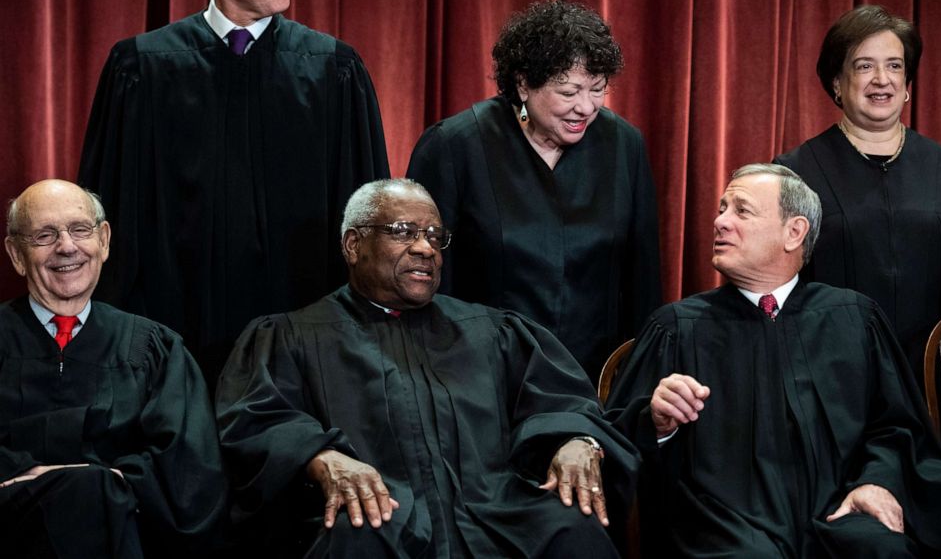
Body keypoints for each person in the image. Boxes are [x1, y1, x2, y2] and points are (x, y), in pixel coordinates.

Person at [215, 178, 638, 558]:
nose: (425, 248)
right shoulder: (294, 336)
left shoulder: (493, 331)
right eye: (403, 232)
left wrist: (577, 440)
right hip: (381, 514)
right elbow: (254, 421)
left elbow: (561, 399)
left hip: (496, 511)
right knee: (357, 535)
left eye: (435, 236)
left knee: (571, 526)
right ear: (353, 245)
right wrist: (318, 455)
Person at [78, 0, 389, 388]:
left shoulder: (333, 69)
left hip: (303, 343)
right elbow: (105, 218)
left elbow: (366, 220)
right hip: (171, 337)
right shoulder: (142, 68)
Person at [606, 163, 941, 557]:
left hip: (840, 513)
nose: (720, 221)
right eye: (722, 208)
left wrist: (877, 482)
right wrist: (655, 421)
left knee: (881, 551)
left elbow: (898, 428)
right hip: (724, 530)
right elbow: (612, 442)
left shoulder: (854, 319)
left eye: (741, 210)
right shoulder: (677, 327)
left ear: (794, 233)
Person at [406, 0, 661, 380]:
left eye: (597, 89)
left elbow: (642, 278)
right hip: (480, 377)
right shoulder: (453, 147)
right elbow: (427, 279)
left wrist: (638, 379)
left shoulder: (624, 145)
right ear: (524, 84)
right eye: (569, 91)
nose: (586, 108)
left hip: (593, 380)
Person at [0, 180, 225, 558]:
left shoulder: (155, 348)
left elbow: (189, 469)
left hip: (125, 531)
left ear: (103, 241)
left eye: (80, 229)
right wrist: (62, 486)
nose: (66, 246)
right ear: (16, 254)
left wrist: (103, 485)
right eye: (44, 235)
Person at [775, 4, 941, 385]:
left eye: (894, 66)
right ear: (837, 83)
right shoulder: (795, 172)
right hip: (833, 384)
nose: (882, 79)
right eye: (864, 66)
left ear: (908, 83)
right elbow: (777, 290)